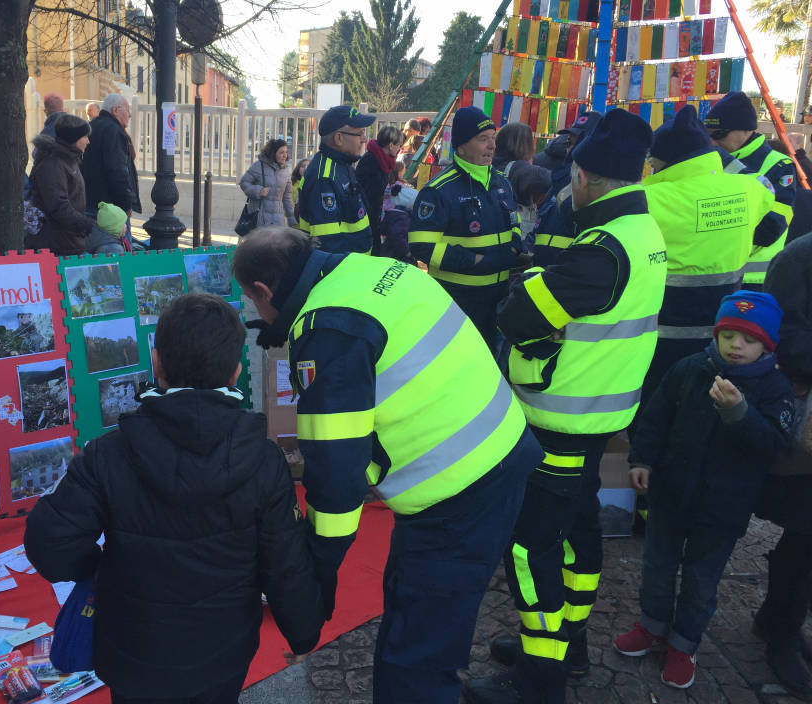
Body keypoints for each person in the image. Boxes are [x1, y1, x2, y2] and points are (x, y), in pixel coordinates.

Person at [233, 226, 541, 704]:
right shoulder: (371, 269)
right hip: (496, 452)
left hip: (459, 494)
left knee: (414, 663)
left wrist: (316, 577)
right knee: (411, 606)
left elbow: (335, 478)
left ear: (263, 291)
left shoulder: (326, 330)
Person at [24, 293, 324, 703]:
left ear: (157, 362)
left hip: (132, 647)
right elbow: (286, 563)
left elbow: (48, 541)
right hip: (223, 648)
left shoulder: (109, 453)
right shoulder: (264, 460)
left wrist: (98, 568)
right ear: (236, 370)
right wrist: (303, 633)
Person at [466, 109, 667, 704]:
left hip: (560, 419)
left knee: (532, 547)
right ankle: (568, 643)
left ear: (582, 176)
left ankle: (540, 673)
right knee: (578, 534)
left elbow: (518, 316)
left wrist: (527, 288)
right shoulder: (643, 231)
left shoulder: (601, 247)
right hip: (598, 417)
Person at [614, 291, 793, 690]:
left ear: (766, 344)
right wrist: (641, 460)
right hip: (670, 496)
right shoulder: (690, 368)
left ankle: (683, 643)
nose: (736, 345)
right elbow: (656, 417)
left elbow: (772, 447)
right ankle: (653, 627)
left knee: (700, 581)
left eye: (747, 339)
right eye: (728, 335)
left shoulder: (774, 389)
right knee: (657, 569)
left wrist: (738, 413)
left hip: (722, 511)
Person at [638, 105, 776, 406]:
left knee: (656, 409)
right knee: (704, 409)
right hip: (722, 335)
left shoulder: (646, 199)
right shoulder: (749, 190)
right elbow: (771, 205)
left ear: (665, 161)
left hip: (660, 336)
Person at [408, 106, 525, 349]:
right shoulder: (438, 190)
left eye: (493, 139)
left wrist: (513, 248)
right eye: (483, 140)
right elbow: (422, 245)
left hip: (501, 299)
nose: (492, 146)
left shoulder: (502, 182)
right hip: (459, 302)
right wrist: (473, 261)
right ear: (461, 146)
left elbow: (515, 221)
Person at [752, 233, 812, 698]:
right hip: (801, 415)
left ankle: (779, 617)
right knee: (806, 526)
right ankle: (782, 633)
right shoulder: (799, 258)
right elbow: (780, 335)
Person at [705, 91, 796, 288]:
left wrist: (728, 164)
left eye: (719, 134)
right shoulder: (708, 161)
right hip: (710, 277)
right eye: (708, 135)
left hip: (754, 283)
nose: (712, 142)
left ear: (746, 129)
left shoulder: (779, 166)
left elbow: (770, 229)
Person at [295, 105, 375, 255]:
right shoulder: (323, 177)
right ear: (338, 138)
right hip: (344, 272)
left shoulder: (343, 165)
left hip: (356, 266)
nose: (364, 139)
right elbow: (328, 244)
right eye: (360, 133)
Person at [526, 111, 602, 269]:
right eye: (569, 143)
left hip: (569, 278)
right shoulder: (561, 179)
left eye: (579, 142)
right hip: (542, 275)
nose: (570, 150)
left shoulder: (598, 187)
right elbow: (542, 221)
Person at [23, 115, 95, 256]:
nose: (88, 141)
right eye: (84, 136)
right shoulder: (53, 165)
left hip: (67, 240)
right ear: (73, 138)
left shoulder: (68, 160)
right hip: (54, 244)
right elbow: (58, 206)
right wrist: (87, 225)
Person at [81, 93, 142, 252]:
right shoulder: (114, 131)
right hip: (112, 210)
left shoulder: (93, 126)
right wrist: (126, 204)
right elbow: (118, 171)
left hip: (91, 203)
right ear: (115, 110)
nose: (129, 115)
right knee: (119, 260)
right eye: (127, 110)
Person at [493, 121, 551, 233]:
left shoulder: (492, 165)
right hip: (519, 238)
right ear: (525, 146)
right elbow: (551, 179)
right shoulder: (521, 169)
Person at [355, 125, 404, 256]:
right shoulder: (371, 160)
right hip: (365, 217)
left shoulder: (384, 161)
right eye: (398, 145)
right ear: (390, 145)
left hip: (375, 216)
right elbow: (364, 190)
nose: (400, 149)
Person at [238, 139, 297, 229]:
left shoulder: (286, 171)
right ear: (273, 153)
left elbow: (287, 197)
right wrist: (258, 191)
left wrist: (291, 219)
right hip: (259, 219)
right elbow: (244, 182)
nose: (285, 155)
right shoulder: (258, 166)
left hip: (278, 220)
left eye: (286, 152)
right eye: (281, 152)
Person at [380, 162, 417, 262]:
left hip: (382, 221)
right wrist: (407, 253)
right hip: (398, 248)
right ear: (401, 172)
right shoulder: (404, 191)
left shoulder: (385, 186)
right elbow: (398, 237)